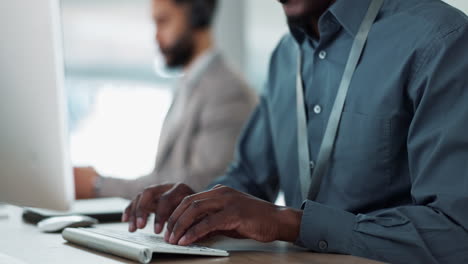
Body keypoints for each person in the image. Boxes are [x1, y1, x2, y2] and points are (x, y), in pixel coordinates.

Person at [122, 0, 468, 263]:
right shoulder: (285, 57)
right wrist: (194, 208)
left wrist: (291, 223)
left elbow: (457, 230)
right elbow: (248, 179)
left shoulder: (440, 41)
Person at [74, 0, 257, 200]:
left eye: (163, 21)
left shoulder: (227, 91)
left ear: (197, 15)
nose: (156, 35)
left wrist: (99, 186)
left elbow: (204, 185)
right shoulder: (188, 85)